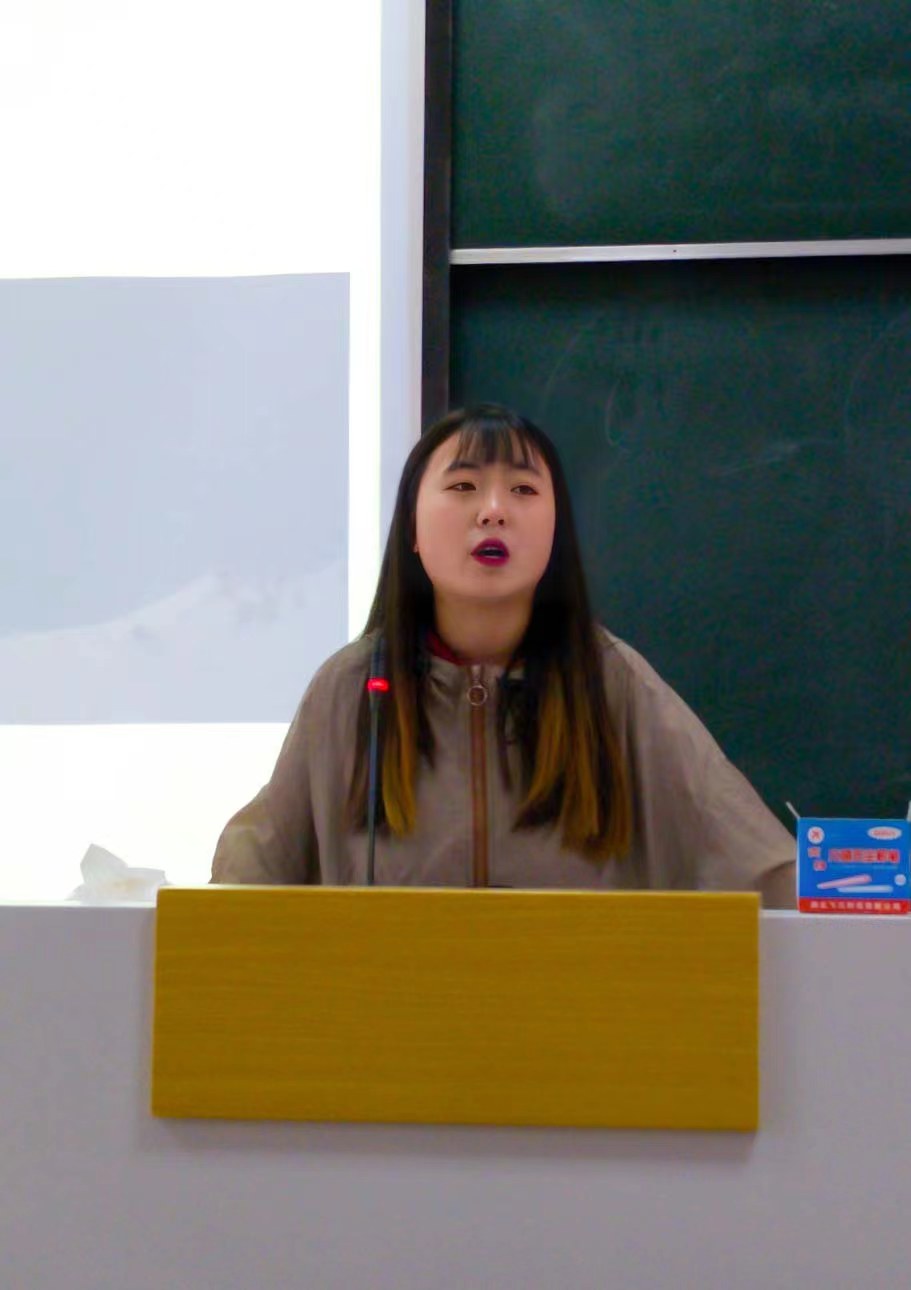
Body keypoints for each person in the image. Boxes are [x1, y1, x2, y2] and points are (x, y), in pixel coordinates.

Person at [211, 404, 795, 906]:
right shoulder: (354, 688)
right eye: (463, 487)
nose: (493, 510)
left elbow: (760, 866)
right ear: (412, 528)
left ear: (555, 531)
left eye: (523, 490)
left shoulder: (610, 682)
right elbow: (247, 878)